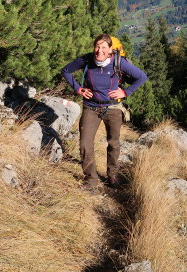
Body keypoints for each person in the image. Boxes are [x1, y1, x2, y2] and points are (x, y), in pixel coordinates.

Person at [62, 33, 147, 190]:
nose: (99, 51)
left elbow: (141, 76)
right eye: (97, 46)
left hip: (112, 108)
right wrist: (78, 89)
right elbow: (66, 70)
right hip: (91, 106)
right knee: (85, 144)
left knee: (113, 143)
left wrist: (125, 92)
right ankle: (91, 180)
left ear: (110, 50)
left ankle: (112, 176)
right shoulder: (87, 59)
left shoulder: (118, 62)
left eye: (103, 47)